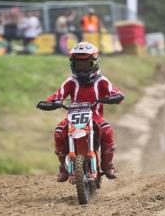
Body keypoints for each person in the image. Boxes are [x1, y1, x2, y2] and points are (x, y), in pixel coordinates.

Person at [37, 42, 124, 182]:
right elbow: (57, 96)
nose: (82, 69)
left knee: (107, 130)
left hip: (95, 116)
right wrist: (50, 103)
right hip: (73, 116)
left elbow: (117, 93)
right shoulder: (71, 82)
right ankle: (63, 167)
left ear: (94, 63)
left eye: (86, 65)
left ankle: (107, 165)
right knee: (59, 132)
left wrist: (115, 97)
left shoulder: (101, 81)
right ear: (72, 65)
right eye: (78, 65)